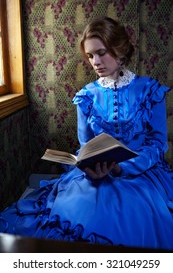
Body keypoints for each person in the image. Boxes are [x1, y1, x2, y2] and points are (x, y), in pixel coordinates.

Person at [1, 16, 173, 250]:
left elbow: (158, 144)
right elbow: (85, 144)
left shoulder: (150, 90)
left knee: (136, 211)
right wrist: (91, 167)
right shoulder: (86, 95)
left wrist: (124, 167)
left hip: (141, 171)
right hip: (96, 173)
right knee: (81, 208)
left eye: (101, 53)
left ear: (120, 50)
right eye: (90, 56)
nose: (95, 62)